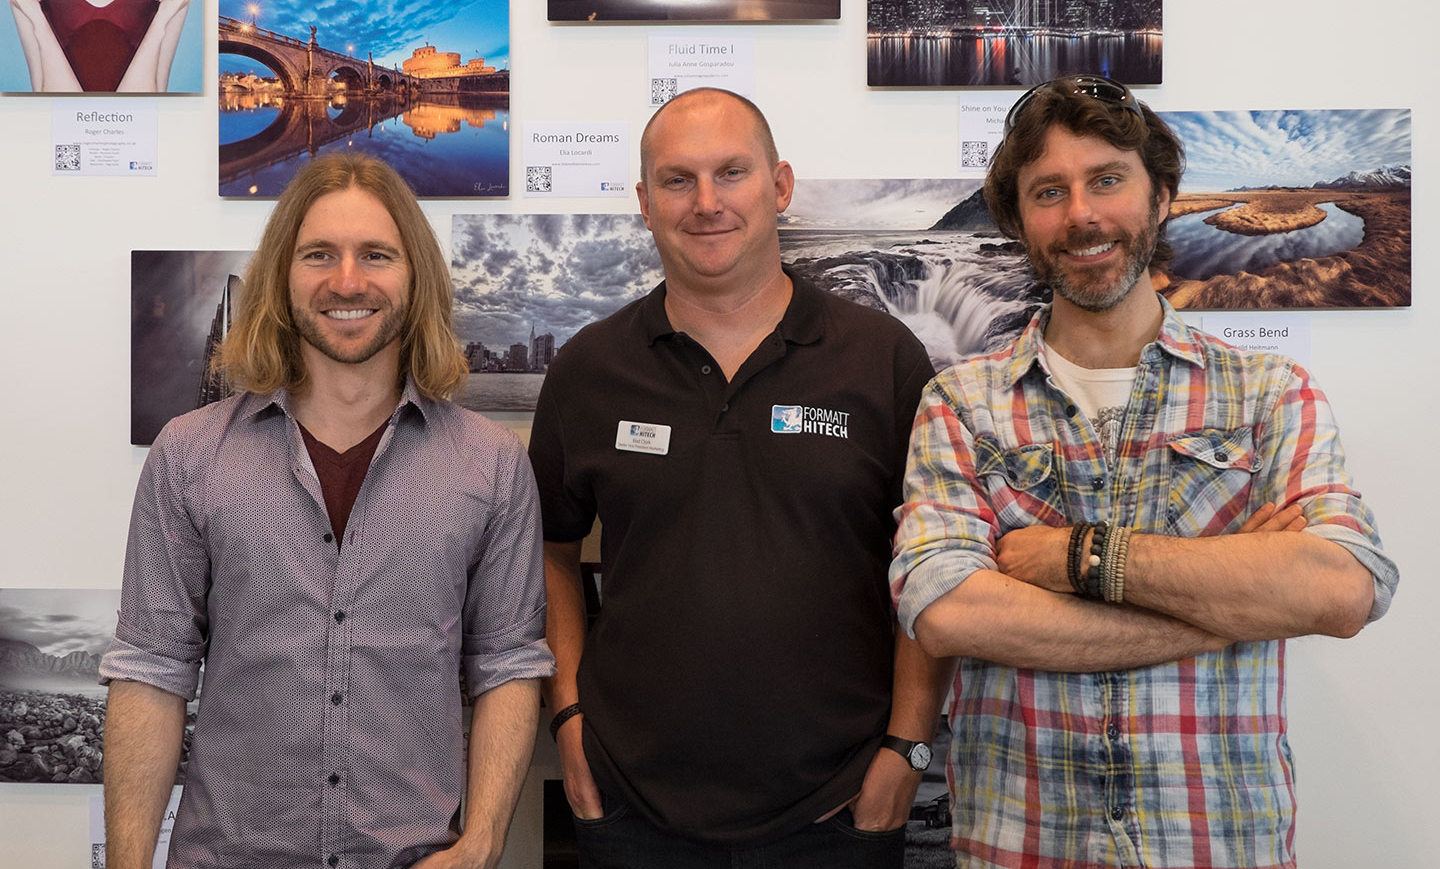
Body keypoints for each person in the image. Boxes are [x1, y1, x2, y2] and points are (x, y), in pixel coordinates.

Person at [890, 75, 1399, 868]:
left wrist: (1076, 558)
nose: (1082, 214)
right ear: (1020, 221)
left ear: (1161, 196)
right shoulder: (960, 402)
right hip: (1021, 841)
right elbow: (948, 612)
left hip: (1218, 842)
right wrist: (1230, 607)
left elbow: (1341, 589)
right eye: (1049, 191)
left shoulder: (1266, 392)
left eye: (1106, 180)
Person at [528, 87, 953, 867]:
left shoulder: (880, 359)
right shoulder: (589, 370)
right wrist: (569, 720)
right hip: (628, 809)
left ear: (780, 186)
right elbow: (552, 550)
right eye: (677, 180)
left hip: (839, 808)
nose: (706, 202)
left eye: (731, 172)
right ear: (645, 204)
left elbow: (932, 564)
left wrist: (908, 747)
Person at [99, 153, 554, 869]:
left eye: (376, 254)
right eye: (319, 255)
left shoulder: (491, 466)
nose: (348, 281)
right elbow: (152, 671)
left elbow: (508, 663)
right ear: (283, 274)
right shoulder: (188, 456)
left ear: (417, 278)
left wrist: (484, 842)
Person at [6, 0, 192, 92]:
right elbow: (56, 116)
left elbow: (144, 115)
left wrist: (162, 19)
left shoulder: (168, 1)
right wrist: (37, 19)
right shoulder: (32, 0)